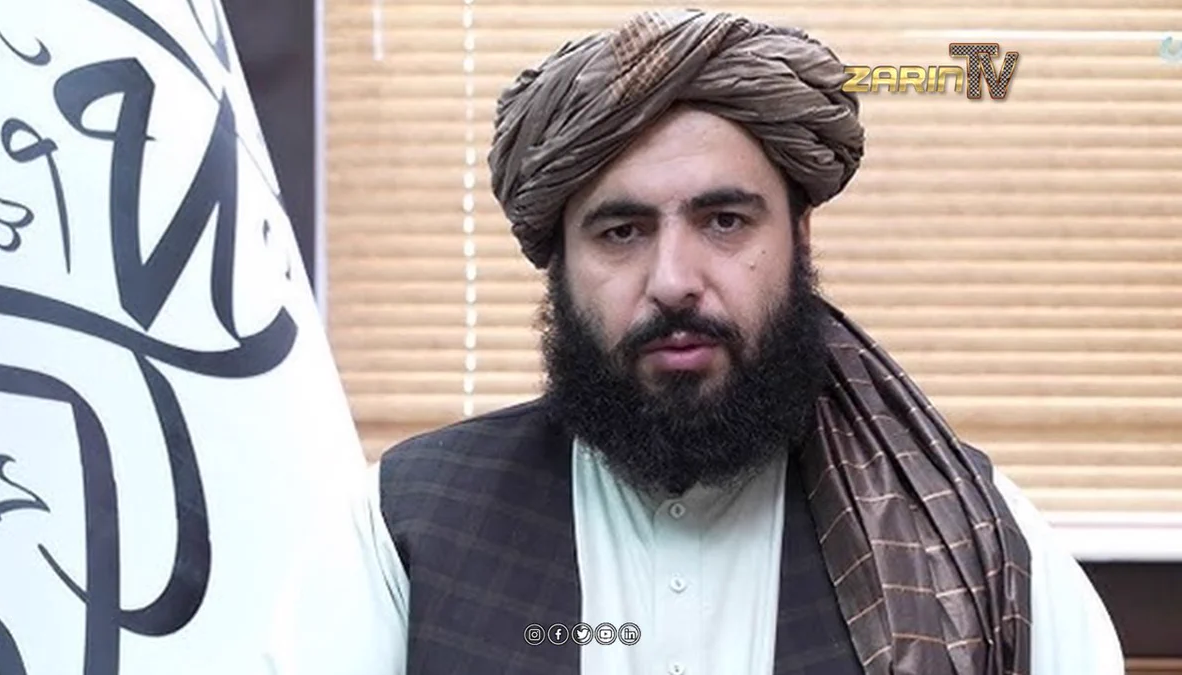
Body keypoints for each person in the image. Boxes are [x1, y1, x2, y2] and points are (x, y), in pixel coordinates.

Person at [265, 9, 1124, 675]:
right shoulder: (403, 525)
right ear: (559, 263)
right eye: (622, 231)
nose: (674, 279)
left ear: (799, 239)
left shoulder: (970, 533)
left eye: (724, 220)